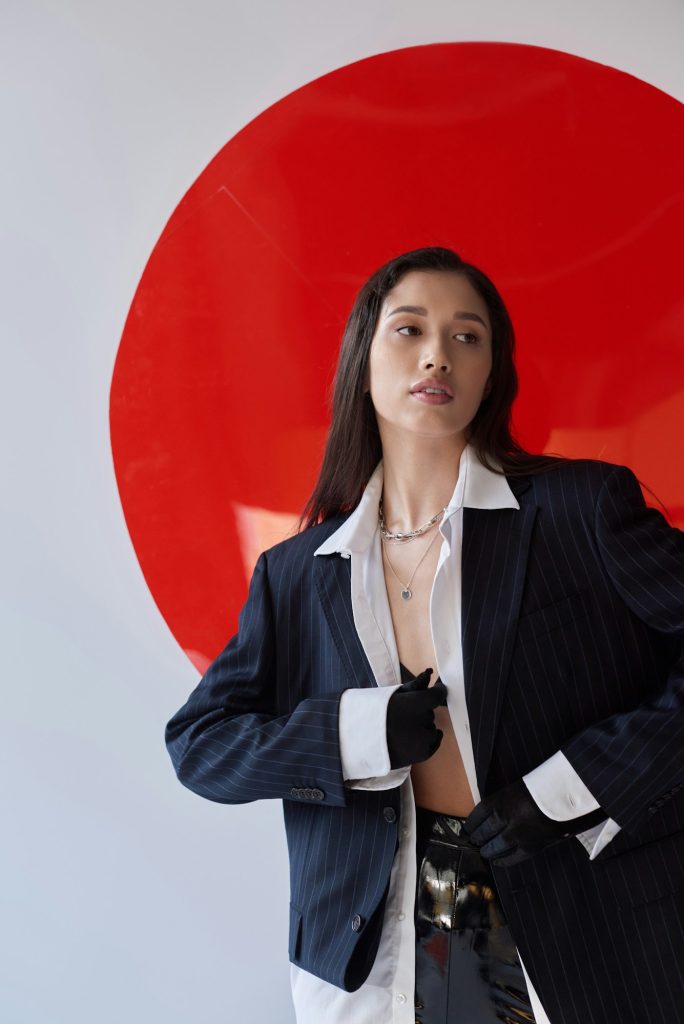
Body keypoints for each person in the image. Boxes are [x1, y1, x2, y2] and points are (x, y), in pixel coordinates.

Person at [165, 247, 684, 1024]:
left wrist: (574, 787)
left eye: (467, 337)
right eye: (409, 330)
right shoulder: (297, 573)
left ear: (489, 373)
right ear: (362, 364)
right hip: (372, 955)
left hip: (588, 921)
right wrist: (356, 732)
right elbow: (201, 745)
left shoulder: (581, 510)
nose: (438, 352)